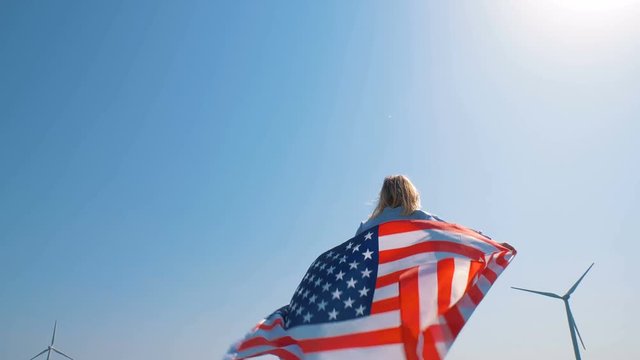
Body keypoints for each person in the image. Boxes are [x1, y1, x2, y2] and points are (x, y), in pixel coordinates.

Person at [355, 175, 443, 236]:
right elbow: (452, 237)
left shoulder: (365, 228)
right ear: (411, 194)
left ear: (383, 196)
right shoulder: (426, 219)